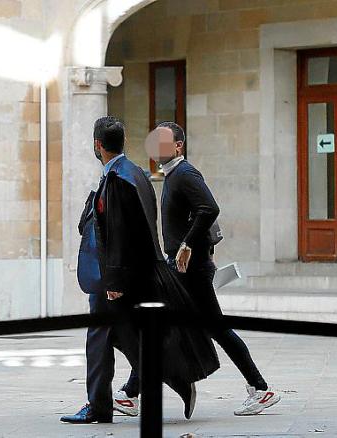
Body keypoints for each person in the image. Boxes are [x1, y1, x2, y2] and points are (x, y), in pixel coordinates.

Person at [114, 122, 281, 417]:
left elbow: (209, 208)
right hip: (185, 268)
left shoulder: (185, 174)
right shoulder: (173, 175)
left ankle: (260, 388)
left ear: (178, 146)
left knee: (200, 328)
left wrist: (187, 245)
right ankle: (131, 393)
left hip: (191, 270)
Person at [60, 117, 219, 424]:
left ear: (97, 145)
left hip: (117, 277)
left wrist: (115, 280)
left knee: (103, 336)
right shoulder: (134, 173)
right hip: (134, 274)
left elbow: (120, 233)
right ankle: (172, 378)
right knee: (122, 335)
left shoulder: (119, 178)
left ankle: (103, 404)